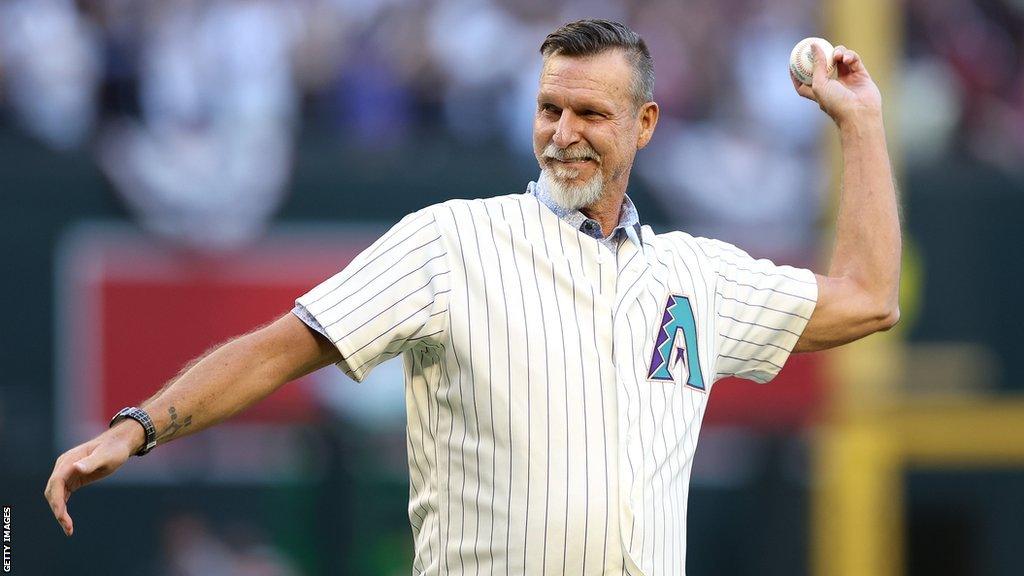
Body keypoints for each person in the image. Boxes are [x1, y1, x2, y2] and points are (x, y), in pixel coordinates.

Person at [46, 19, 900, 575]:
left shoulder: (694, 275)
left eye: (590, 114)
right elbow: (282, 344)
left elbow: (866, 299)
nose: (562, 134)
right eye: (548, 109)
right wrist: (139, 426)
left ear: (643, 126)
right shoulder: (453, 240)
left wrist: (859, 124)